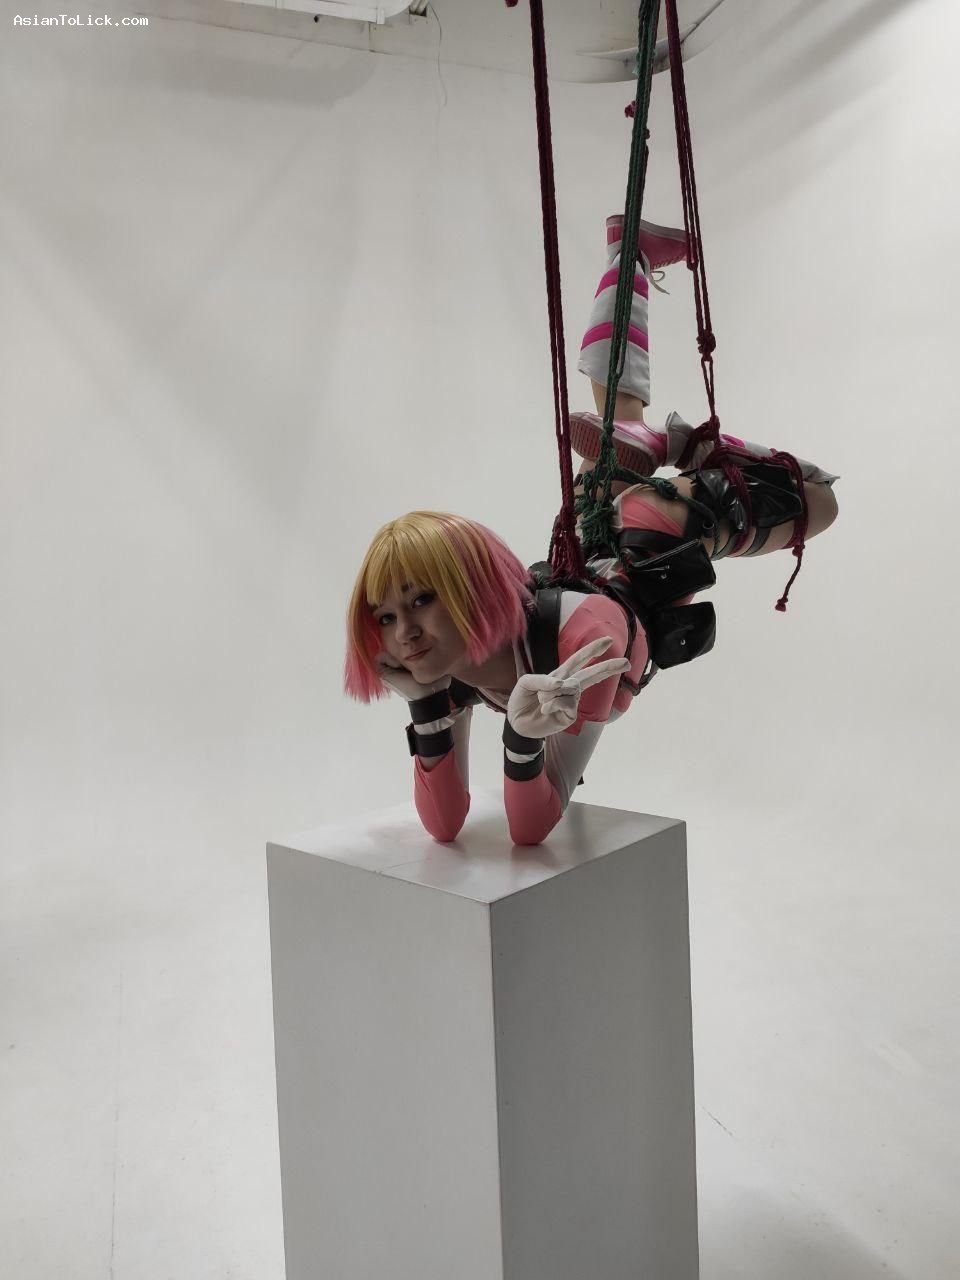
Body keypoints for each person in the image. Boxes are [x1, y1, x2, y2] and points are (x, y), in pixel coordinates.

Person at [343, 216, 839, 846]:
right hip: (586, 545)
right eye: (385, 617)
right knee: (615, 416)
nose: (404, 633)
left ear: (472, 586)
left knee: (819, 502)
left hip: (649, 539)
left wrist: (522, 740)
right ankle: (630, 255)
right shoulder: (443, 666)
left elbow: (532, 825)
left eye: (421, 600)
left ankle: (677, 445)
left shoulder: (586, 645)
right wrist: (423, 703)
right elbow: (445, 825)